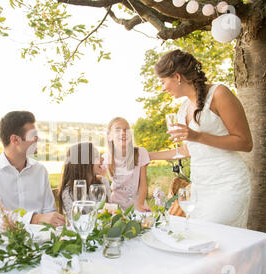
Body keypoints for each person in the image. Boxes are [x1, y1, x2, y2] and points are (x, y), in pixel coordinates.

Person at [149, 49, 253, 228]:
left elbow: (245, 142)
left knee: (217, 239)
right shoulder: (183, 109)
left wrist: (197, 136)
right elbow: (190, 149)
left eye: (163, 81)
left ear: (177, 77)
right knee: (199, 242)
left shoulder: (219, 94)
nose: (163, 87)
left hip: (227, 184)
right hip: (199, 187)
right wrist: (148, 156)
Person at [0, 111, 65, 227]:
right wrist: (34, 219)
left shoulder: (40, 171)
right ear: (15, 140)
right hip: (3, 243)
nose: (38, 139)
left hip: (42, 242)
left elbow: (49, 212)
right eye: (33, 135)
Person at [104, 117, 151, 212]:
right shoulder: (105, 158)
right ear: (109, 136)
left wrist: (140, 204)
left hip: (138, 205)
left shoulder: (141, 153)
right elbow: (101, 183)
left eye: (126, 129)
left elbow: (143, 184)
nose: (123, 132)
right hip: (115, 208)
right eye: (117, 130)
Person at [58, 142, 111, 215]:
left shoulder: (103, 182)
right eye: (96, 156)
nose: (102, 158)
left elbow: (110, 212)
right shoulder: (69, 193)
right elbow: (75, 221)